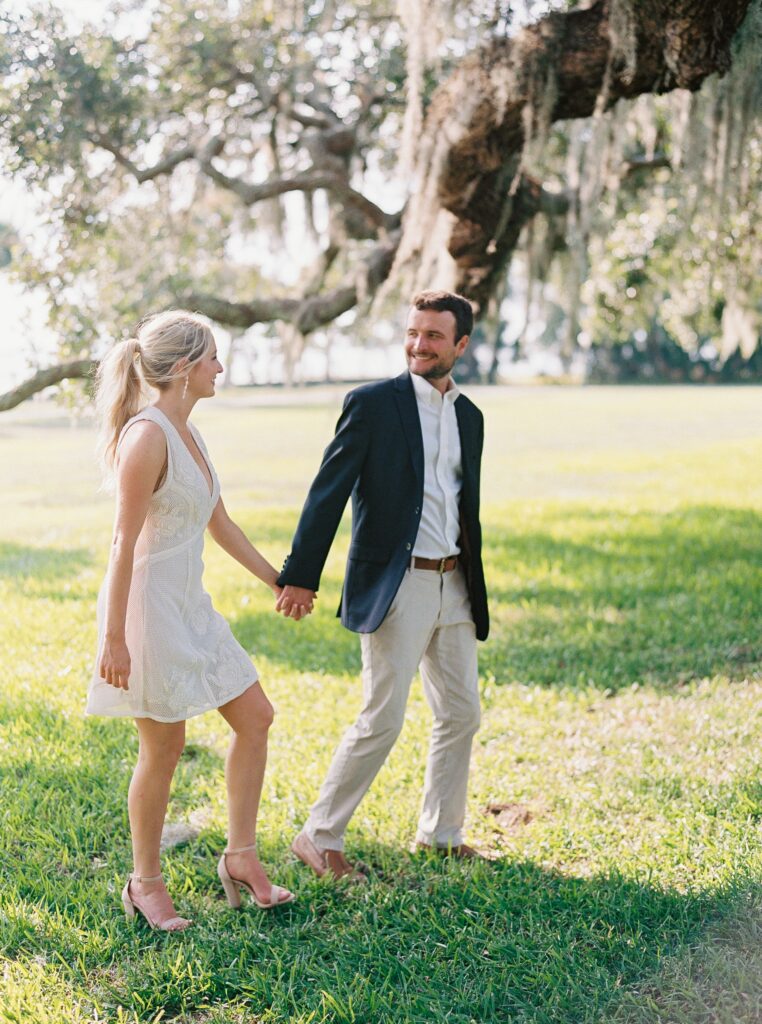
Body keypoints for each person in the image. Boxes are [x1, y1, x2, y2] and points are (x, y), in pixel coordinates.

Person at [87, 310, 296, 931]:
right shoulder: (146, 436)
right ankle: (144, 883)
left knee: (255, 716)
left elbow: (220, 521)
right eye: (212, 358)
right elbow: (123, 544)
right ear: (183, 370)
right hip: (147, 612)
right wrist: (114, 637)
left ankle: (241, 857)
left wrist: (278, 580)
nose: (220, 369)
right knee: (165, 745)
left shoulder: (189, 432)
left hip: (192, 606)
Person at [276, 290, 489, 880]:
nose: (419, 345)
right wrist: (301, 576)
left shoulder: (468, 416)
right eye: (414, 333)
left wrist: (469, 580)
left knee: (462, 712)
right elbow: (329, 491)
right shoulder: (372, 405)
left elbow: (462, 506)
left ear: (461, 346)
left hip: (456, 583)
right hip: (399, 586)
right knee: (382, 718)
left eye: (435, 336)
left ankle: (441, 834)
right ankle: (319, 836)